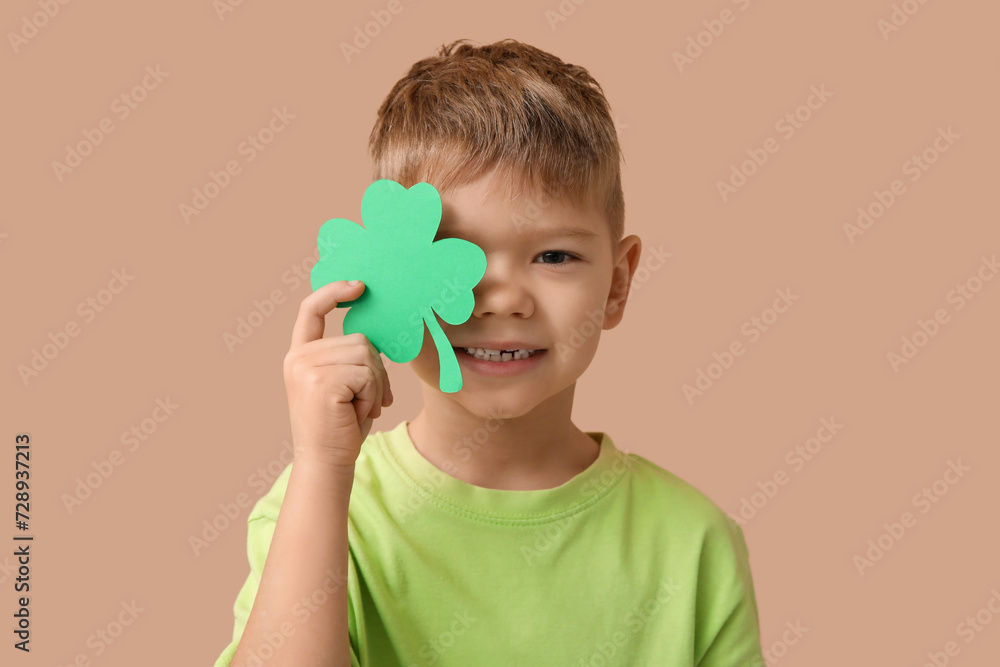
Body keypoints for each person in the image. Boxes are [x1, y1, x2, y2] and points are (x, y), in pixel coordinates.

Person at [214, 38, 765, 667]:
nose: (501, 301)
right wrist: (321, 465)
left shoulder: (695, 545)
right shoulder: (317, 508)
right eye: (453, 258)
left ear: (617, 284)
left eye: (554, 256)